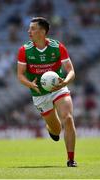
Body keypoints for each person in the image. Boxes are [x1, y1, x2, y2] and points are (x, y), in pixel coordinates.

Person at [17, 17, 77, 167]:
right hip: (39, 93)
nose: (29, 31)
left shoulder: (58, 47)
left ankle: (71, 160)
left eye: (32, 28)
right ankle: (50, 128)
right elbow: (20, 75)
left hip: (58, 88)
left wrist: (65, 81)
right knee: (56, 130)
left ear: (43, 31)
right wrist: (30, 84)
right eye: (29, 28)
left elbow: (71, 71)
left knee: (68, 118)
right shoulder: (24, 50)